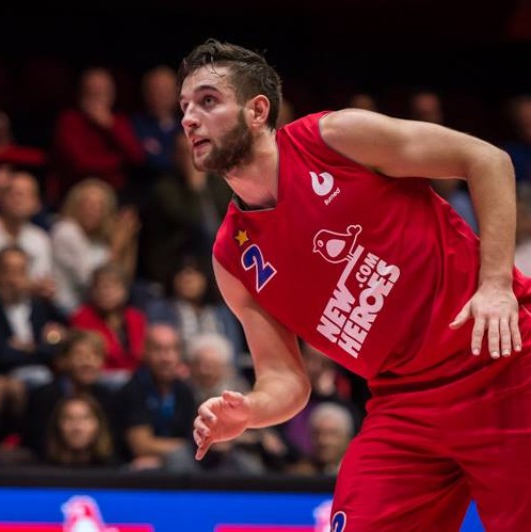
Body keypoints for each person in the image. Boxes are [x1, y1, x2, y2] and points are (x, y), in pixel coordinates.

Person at [180, 39, 531, 530]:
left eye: (207, 101)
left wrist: (494, 284)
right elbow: (286, 380)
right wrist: (251, 411)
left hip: (501, 365)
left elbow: (487, 160)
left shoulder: (334, 138)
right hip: (403, 406)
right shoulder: (231, 259)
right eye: (184, 107)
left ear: (257, 111)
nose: (189, 119)